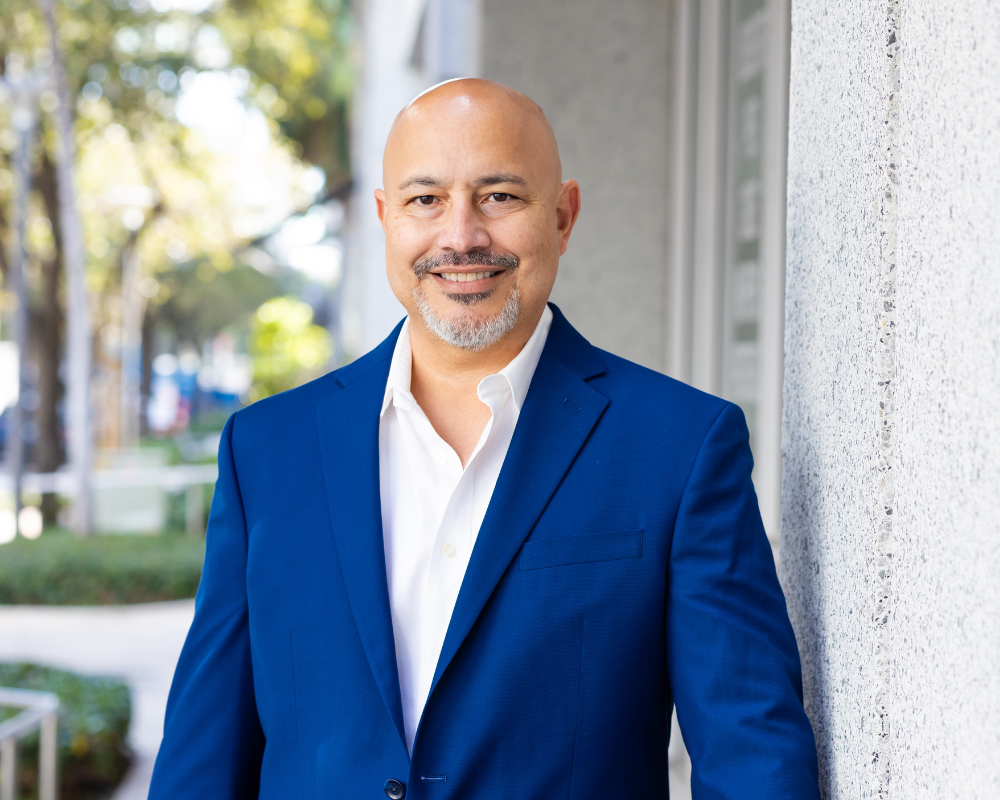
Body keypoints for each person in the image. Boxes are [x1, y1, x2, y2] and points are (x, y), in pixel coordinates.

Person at [149, 79, 819, 799]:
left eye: (499, 196)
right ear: (385, 218)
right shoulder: (266, 453)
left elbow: (753, 760)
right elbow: (201, 759)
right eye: (425, 199)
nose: (461, 235)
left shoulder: (681, 448)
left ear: (563, 218)